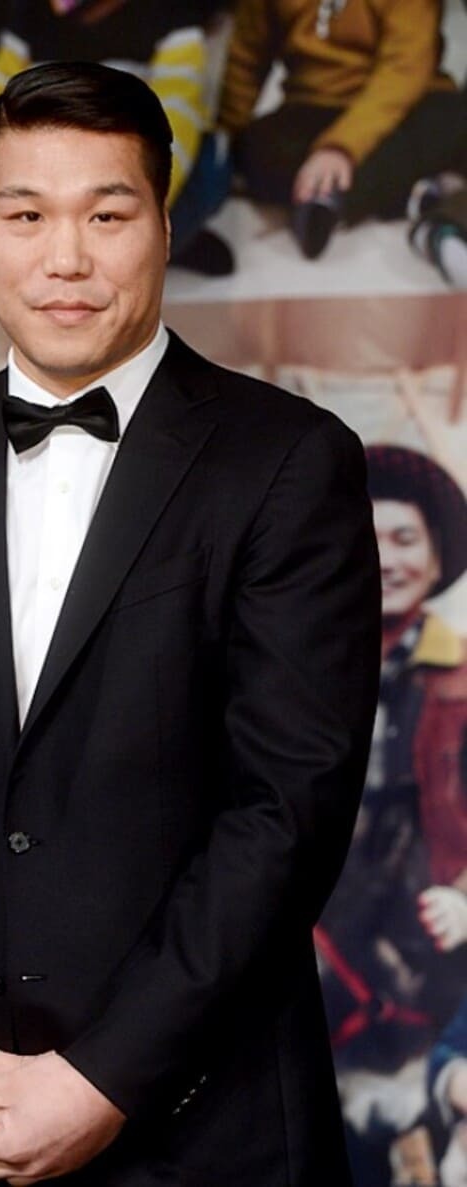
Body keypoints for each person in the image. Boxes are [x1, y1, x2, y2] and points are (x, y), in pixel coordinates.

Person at [0, 62, 381, 1186]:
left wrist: (100, 1079)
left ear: (162, 226)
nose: (64, 258)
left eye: (106, 215)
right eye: (25, 215)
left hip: (203, 1136)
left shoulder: (290, 463)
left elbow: (286, 809)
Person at [317, 444, 467, 1187]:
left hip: (423, 948)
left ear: (436, 559)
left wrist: (466, 895)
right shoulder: (296, 661)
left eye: (405, 539)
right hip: (314, 938)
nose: (388, 558)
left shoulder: (462, 676)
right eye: (369, 537)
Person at [0, 0, 234, 275]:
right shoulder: (28, 16)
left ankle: (167, 241)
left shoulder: (171, 16)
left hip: (139, 163)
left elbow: (178, 112)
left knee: (208, 170)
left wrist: (146, 196)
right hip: (56, 165)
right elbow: (0, 101)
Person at [217, 0, 467, 259]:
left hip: (401, 103)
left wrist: (340, 148)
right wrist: (224, 134)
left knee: (450, 119)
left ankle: (327, 196)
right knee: (255, 147)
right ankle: (402, 194)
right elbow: (247, 57)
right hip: (314, 104)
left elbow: (404, 69)